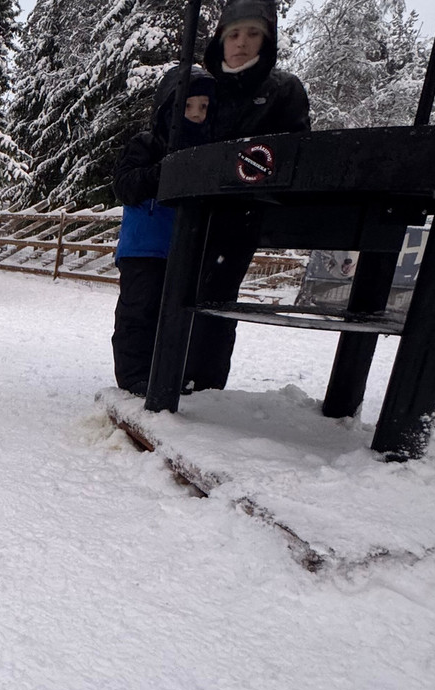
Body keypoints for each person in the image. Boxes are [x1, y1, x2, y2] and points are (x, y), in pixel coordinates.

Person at [182, 0, 310, 391]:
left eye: (253, 33)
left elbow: (293, 153)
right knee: (170, 292)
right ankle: (162, 370)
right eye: (234, 33)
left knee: (215, 299)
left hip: (242, 215)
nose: (241, 43)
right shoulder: (201, 89)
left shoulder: (282, 91)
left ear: (267, 40)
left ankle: (204, 386)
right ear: (220, 39)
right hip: (189, 209)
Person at [112, 65, 215, 396]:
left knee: (178, 316)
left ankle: (175, 372)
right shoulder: (146, 145)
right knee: (138, 313)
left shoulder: (209, 152)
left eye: (203, 108)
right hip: (143, 249)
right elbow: (125, 186)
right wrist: (163, 173)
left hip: (184, 249)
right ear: (167, 108)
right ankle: (134, 377)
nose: (196, 115)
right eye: (187, 106)